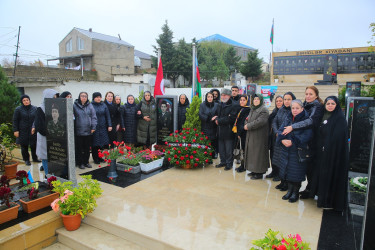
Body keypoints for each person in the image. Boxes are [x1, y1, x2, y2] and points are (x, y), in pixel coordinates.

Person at [282, 86, 324, 199]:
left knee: (309, 168)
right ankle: (304, 190)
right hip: (299, 142)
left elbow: (310, 121)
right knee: (300, 168)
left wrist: (292, 127)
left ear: (316, 95)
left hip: (312, 141)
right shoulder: (304, 105)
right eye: (306, 94)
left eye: (311, 94)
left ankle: (311, 190)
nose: (308, 96)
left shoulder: (317, 106)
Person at [310, 96, 349, 211]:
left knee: (330, 176)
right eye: (328, 104)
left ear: (336, 105)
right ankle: (320, 196)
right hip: (322, 153)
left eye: (333, 103)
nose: (330, 106)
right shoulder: (323, 115)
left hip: (333, 155)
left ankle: (329, 200)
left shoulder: (340, 119)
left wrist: (326, 146)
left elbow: (338, 137)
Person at [276, 100, 313, 203]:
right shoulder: (288, 118)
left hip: (297, 151)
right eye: (293, 108)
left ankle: (295, 192)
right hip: (286, 150)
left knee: (296, 173)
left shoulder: (306, 119)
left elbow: (307, 136)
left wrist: (292, 141)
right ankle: (289, 191)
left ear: (302, 109)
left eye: (297, 108)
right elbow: (280, 131)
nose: (295, 110)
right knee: (288, 171)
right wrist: (282, 140)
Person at [272, 92, 296, 189]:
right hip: (279, 139)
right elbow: (274, 121)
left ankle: (287, 184)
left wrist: (282, 134)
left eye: (288, 99)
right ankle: (282, 182)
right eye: (285, 99)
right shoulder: (281, 109)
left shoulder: (294, 110)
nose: (286, 101)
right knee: (279, 162)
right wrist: (276, 131)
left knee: (287, 163)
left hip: (288, 140)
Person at [243, 94, 270, 179]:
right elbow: (247, 119)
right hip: (251, 135)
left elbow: (260, 121)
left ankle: (259, 173)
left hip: (259, 136)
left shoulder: (264, 110)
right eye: (255, 99)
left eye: (258, 99)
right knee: (252, 154)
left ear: (261, 100)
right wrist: (246, 124)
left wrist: (249, 126)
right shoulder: (253, 108)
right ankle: (254, 170)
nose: (256, 100)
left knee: (259, 154)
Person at [33, 89, 59, 176]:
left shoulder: (55, 107)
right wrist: (49, 133)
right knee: (45, 156)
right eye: (53, 97)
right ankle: (48, 175)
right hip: (44, 136)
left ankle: (53, 174)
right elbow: (39, 125)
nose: (54, 99)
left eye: (55, 97)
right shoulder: (40, 109)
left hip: (54, 136)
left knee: (53, 156)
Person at [214, 88, 238, 171]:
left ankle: (229, 164)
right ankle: (223, 161)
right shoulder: (220, 104)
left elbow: (231, 118)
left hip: (228, 131)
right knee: (221, 149)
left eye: (224, 95)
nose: (222, 96)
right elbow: (217, 114)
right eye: (222, 95)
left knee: (228, 149)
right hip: (220, 130)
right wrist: (217, 118)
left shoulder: (234, 105)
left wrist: (219, 120)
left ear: (229, 96)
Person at [12, 95, 39, 166]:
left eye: (27, 100)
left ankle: (35, 158)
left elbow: (37, 119)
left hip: (32, 130)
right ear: (22, 102)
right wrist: (15, 130)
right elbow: (15, 120)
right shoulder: (18, 109)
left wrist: (35, 127)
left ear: (29, 100)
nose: (26, 101)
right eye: (24, 100)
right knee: (24, 146)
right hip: (22, 130)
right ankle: (26, 160)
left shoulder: (35, 108)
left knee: (34, 145)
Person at [73, 92, 97, 169]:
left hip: (88, 131)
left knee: (87, 148)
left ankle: (86, 162)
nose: (84, 97)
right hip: (78, 131)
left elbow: (94, 117)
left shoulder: (90, 106)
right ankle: (80, 163)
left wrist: (93, 127)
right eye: (82, 96)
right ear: (79, 97)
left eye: (85, 96)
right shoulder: (74, 106)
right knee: (79, 148)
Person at [91, 92, 112, 164]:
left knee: (102, 143)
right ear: (94, 98)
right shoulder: (91, 105)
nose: (98, 98)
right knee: (95, 144)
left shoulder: (104, 105)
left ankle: (100, 157)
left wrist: (109, 125)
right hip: (95, 127)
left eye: (99, 97)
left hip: (103, 127)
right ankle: (95, 158)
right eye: (97, 97)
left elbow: (108, 116)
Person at [266, 95, 283, 179]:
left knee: (278, 156)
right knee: (272, 154)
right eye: (277, 101)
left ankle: (279, 174)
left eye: (280, 101)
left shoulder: (284, 112)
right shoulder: (274, 111)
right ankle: (273, 171)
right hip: (272, 136)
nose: (278, 102)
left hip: (279, 136)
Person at [199, 92, 219, 159]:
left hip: (214, 127)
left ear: (213, 98)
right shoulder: (202, 105)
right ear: (206, 97)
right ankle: (206, 156)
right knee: (206, 142)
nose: (210, 98)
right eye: (208, 97)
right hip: (205, 126)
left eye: (211, 97)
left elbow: (218, 114)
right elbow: (201, 115)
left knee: (213, 141)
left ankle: (214, 154)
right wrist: (209, 118)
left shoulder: (216, 105)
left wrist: (215, 118)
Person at [234, 95, 250, 172]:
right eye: (241, 100)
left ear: (247, 101)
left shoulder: (248, 109)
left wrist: (239, 133)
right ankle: (242, 165)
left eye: (244, 100)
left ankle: (244, 166)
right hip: (239, 132)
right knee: (241, 149)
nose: (242, 101)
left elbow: (243, 122)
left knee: (243, 150)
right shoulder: (241, 109)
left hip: (244, 133)